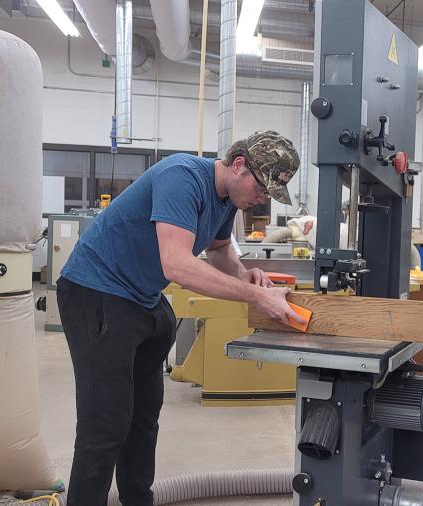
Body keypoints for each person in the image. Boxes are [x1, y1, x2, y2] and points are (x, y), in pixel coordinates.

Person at [57, 130, 306, 505]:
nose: (262, 198)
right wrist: (255, 296)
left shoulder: (227, 201)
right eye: (262, 188)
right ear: (238, 165)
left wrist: (245, 274)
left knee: (143, 418)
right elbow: (177, 265)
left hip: (140, 297)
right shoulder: (182, 176)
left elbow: (219, 248)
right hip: (96, 290)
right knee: (106, 422)